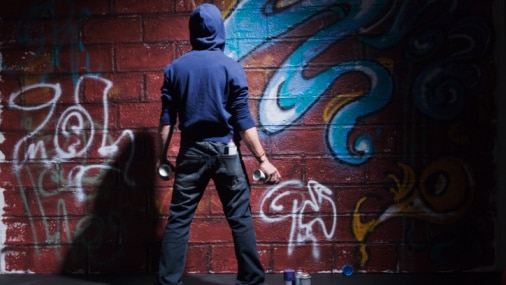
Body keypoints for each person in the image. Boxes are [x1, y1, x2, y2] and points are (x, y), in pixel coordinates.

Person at [156, 3, 282, 285]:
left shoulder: (175, 70)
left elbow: (167, 121)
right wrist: (263, 159)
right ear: (219, 30)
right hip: (226, 151)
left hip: (191, 152)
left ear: (193, 31)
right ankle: (251, 280)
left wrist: (160, 158)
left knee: (178, 220)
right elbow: (243, 121)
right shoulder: (231, 68)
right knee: (239, 217)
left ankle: (167, 282)